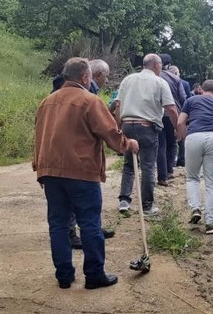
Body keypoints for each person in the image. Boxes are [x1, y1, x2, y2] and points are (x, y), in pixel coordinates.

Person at [34, 57, 139, 290]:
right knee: (89, 222)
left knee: (58, 224)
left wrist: (38, 168)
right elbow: (110, 132)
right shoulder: (90, 100)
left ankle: (63, 275)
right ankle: (94, 274)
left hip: (51, 172)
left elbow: (39, 137)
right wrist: (127, 144)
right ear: (84, 77)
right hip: (81, 172)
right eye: (91, 76)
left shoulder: (46, 102)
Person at [52, 60, 114, 249]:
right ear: (89, 76)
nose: (106, 80)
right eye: (106, 76)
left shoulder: (51, 97)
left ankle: (64, 274)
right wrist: (125, 144)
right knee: (86, 211)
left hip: (55, 160)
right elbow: (101, 126)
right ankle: (94, 269)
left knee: (58, 220)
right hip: (79, 161)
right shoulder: (89, 94)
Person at [111, 54, 178, 216]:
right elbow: (171, 108)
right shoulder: (160, 82)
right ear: (156, 65)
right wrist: (177, 128)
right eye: (161, 65)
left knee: (128, 165)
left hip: (127, 125)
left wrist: (118, 127)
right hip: (147, 127)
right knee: (148, 166)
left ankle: (124, 200)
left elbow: (118, 105)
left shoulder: (128, 80)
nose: (161, 68)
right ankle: (147, 206)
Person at [178, 80, 213, 234]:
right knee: (211, 183)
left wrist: (185, 138)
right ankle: (211, 223)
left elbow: (180, 122)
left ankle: (195, 208)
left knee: (192, 178)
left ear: (201, 90)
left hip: (194, 136)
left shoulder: (191, 101)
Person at [157, 54, 187, 185]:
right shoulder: (175, 79)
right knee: (172, 143)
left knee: (160, 145)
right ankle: (169, 170)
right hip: (173, 114)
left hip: (156, 115)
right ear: (168, 65)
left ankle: (161, 175)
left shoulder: (154, 78)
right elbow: (183, 98)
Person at [169, 66, 192, 167]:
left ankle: (170, 160)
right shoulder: (184, 83)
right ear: (176, 73)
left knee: (167, 138)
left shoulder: (162, 80)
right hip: (180, 112)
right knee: (182, 136)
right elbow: (186, 99)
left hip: (165, 112)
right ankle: (181, 159)